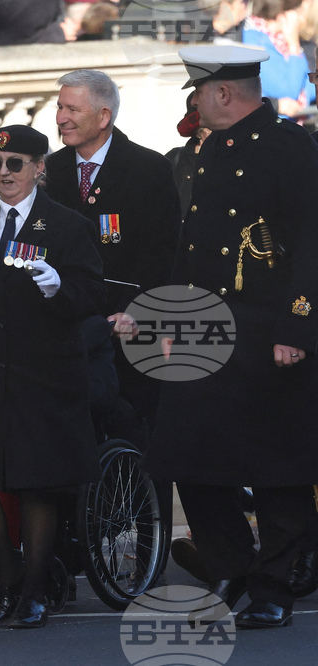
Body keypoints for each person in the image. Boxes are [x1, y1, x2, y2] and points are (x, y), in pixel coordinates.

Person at [145, 44, 318, 630]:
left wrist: (298, 323)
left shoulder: (291, 145)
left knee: (277, 467)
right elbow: (189, 243)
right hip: (204, 325)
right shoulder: (209, 149)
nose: (193, 102)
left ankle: (273, 585)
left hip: (270, 327)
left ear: (222, 93)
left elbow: (311, 240)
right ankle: (232, 562)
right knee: (183, 452)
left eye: (198, 91)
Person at [0, 125, 103, 628]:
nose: (3, 173)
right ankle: (10, 574)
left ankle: (32, 590)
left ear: (39, 168)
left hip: (44, 377)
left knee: (37, 487)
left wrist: (60, 288)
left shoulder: (68, 225)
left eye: (15, 163)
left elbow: (91, 297)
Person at [45, 69, 182, 425]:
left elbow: (161, 253)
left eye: (72, 109)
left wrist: (137, 311)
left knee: (138, 439)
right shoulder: (50, 171)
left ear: (104, 115)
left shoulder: (149, 169)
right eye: (60, 107)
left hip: (132, 333)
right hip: (68, 333)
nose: (61, 118)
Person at [242, 0, 315, 119]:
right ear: (286, 14)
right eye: (299, 11)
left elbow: (310, 85)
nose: (301, 17)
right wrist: (294, 45)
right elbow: (289, 92)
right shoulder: (254, 42)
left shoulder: (277, 40)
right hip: (268, 130)